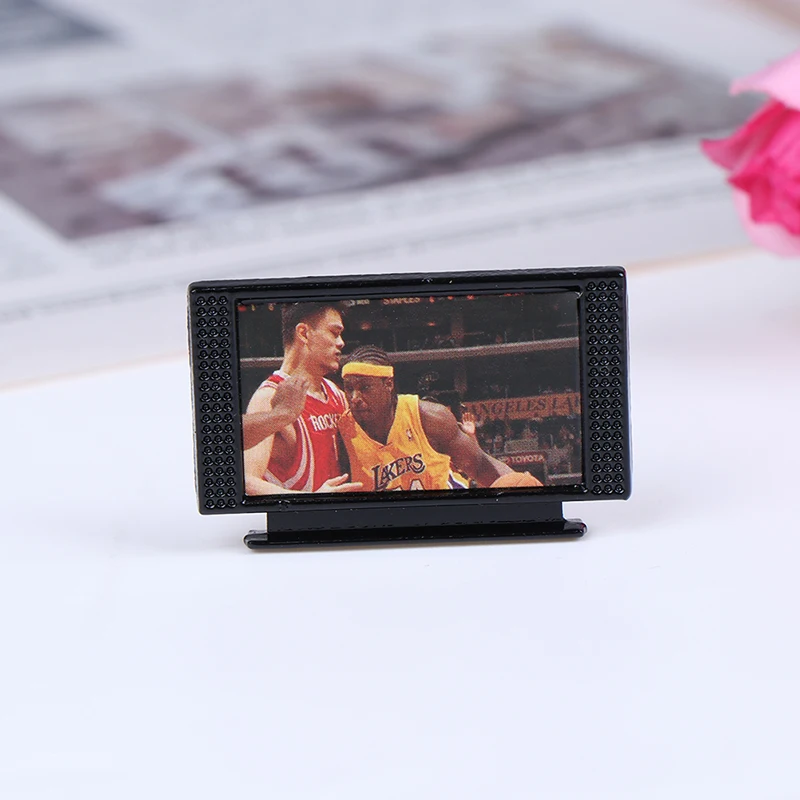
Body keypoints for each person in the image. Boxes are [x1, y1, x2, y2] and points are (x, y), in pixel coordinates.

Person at [337, 346, 542, 492]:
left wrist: (524, 491)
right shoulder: (343, 433)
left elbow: (479, 465)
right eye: (349, 389)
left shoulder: (428, 417)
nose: (354, 398)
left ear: (388, 384)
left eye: (365, 388)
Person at [242, 302, 363, 495]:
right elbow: (247, 481)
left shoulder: (335, 393)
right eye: (334, 333)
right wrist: (312, 502)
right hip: (301, 513)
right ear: (304, 333)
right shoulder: (269, 396)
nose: (341, 342)